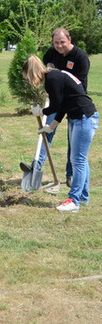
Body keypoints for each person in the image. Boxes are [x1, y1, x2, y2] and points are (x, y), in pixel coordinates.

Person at [23, 55, 98, 212]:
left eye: (28, 78)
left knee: (77, 160)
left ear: (32, 73)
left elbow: (56, 105)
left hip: (83, 117)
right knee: (81, 160)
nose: (30, 82)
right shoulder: (56, 75)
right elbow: (63, 106)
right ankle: (83, 197)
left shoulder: (52, 78)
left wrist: (42, 111)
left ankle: (74, 201)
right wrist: (51, 126)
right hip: (81, 117)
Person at [38, 28, 90, 186]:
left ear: (69, 40)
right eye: (56, 43)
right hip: (57, 100)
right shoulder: (51, 53)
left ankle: (70, 174)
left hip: (75, 102)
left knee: (73, 142)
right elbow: (44, 70)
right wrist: (49, 90)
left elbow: (78, 83)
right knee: (47, 130)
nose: (59, 46)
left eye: (62, 42)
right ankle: (36, 166)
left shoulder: (80, 57)